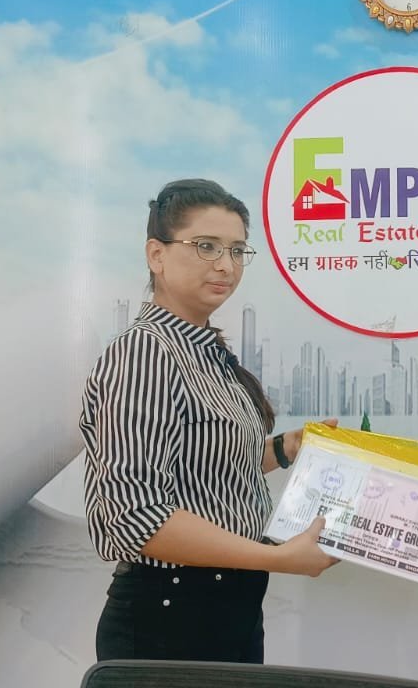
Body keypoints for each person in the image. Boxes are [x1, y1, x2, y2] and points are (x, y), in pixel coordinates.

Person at [80, 178, 338, 664]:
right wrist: (276, 557)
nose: (226, 265)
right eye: (206, 246)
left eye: (237, 250)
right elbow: (135, 515)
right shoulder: (145, 353)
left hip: (230, 612)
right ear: (156, 254)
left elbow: (204, 470)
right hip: (168, 621)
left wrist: (285, 448)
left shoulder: (206, 353)